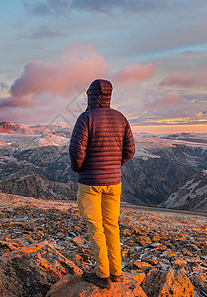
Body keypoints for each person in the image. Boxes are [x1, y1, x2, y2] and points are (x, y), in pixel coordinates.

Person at [69, 79, 135, 288]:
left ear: (90, 96)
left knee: (96, 228)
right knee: (112, 226)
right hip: (114, 183)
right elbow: (130, 150)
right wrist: (114, 165)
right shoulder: (121, 118)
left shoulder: (86, 118)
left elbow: (76, 152)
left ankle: (102, 274)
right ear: (109, 96)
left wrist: (80, 169)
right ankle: (116, 272)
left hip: (90, 183)